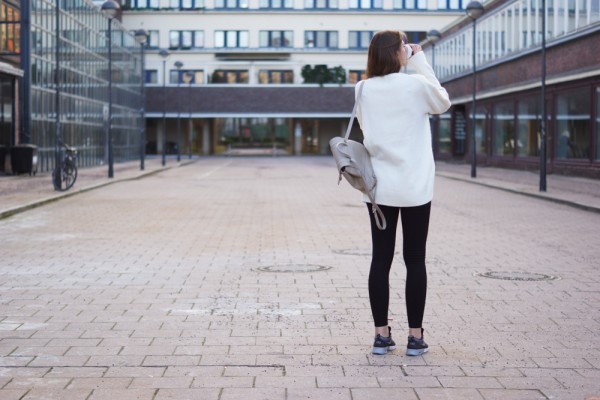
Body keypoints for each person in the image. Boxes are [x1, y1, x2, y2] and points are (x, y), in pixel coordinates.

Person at [355, 30, 451, 356]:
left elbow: (366, 132)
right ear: (400, 53)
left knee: (380, 260)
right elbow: (443, 102)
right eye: (403, 46)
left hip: (379, 189)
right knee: (415, 260)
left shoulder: (363, 89)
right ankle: (415, 337)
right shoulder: (417, 86)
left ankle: (381, 336)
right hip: (415, 188)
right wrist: (419, 59)